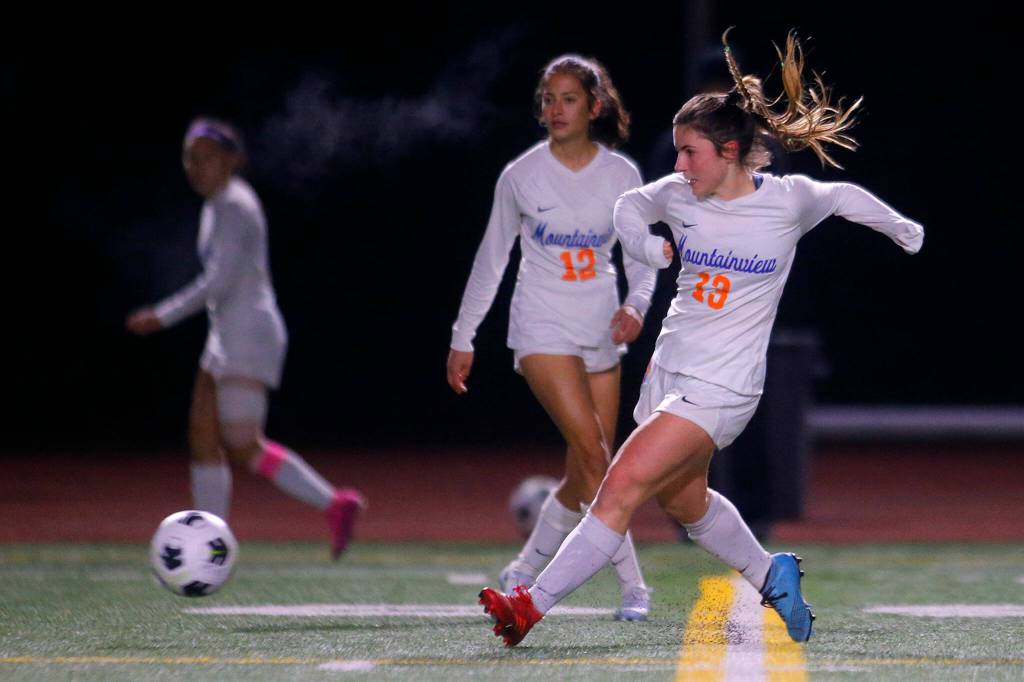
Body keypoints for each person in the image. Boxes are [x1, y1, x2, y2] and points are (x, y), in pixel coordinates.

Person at [479, 29, 924, 646]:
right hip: (670, 372)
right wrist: (643, 245)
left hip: (724, 386)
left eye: (691, 152)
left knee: (621, 485)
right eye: (679, 152)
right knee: (686, 504)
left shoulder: (788, 201)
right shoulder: (680, 195)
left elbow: (844, 195)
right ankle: (773, 575)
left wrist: (902, 228)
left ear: (731, 150)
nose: (679, 165)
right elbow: (630, 207)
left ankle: (529, 603)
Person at [447, 55, 659, 620]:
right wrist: (462, 335)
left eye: (568, 98)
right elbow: (491, 260)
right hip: (540, 325)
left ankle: (523, 566)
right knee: (597, 456)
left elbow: (642, 255)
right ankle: (634, 587)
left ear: (593, 107)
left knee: (586, 466)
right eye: (548, 98)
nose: (555, 108)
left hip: (600, 328)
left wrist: (636, 307)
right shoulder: (520, 176)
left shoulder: (621, 177)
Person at [126, 117, 365, 559]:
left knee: (239, 443)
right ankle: (214, 535)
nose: (196, 167)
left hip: (247, 333)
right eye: (190, 159)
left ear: (232, 161)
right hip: (229, 333)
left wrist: (161, 315)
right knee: (206, 435)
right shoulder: (216, 205)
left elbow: (218, 282)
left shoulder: (235, 205)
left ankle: (328, 505)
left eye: (207, 158)